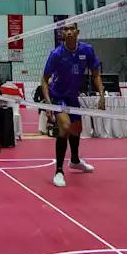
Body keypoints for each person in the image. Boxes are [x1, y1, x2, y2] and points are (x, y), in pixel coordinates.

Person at [41, 23, 103, 187]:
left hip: (72, 97)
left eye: (71, 29)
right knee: (65, 127)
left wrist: (102, 96)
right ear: (62, 33)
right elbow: (44, 80)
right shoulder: (56, 54)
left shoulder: (86, 50)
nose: (68, 32)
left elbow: (95, 74)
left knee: (77, 129)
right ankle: (59, 171)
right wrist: (48, 104)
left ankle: (74, 161)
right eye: (65, 29)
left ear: (77, 32)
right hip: (57, 96)